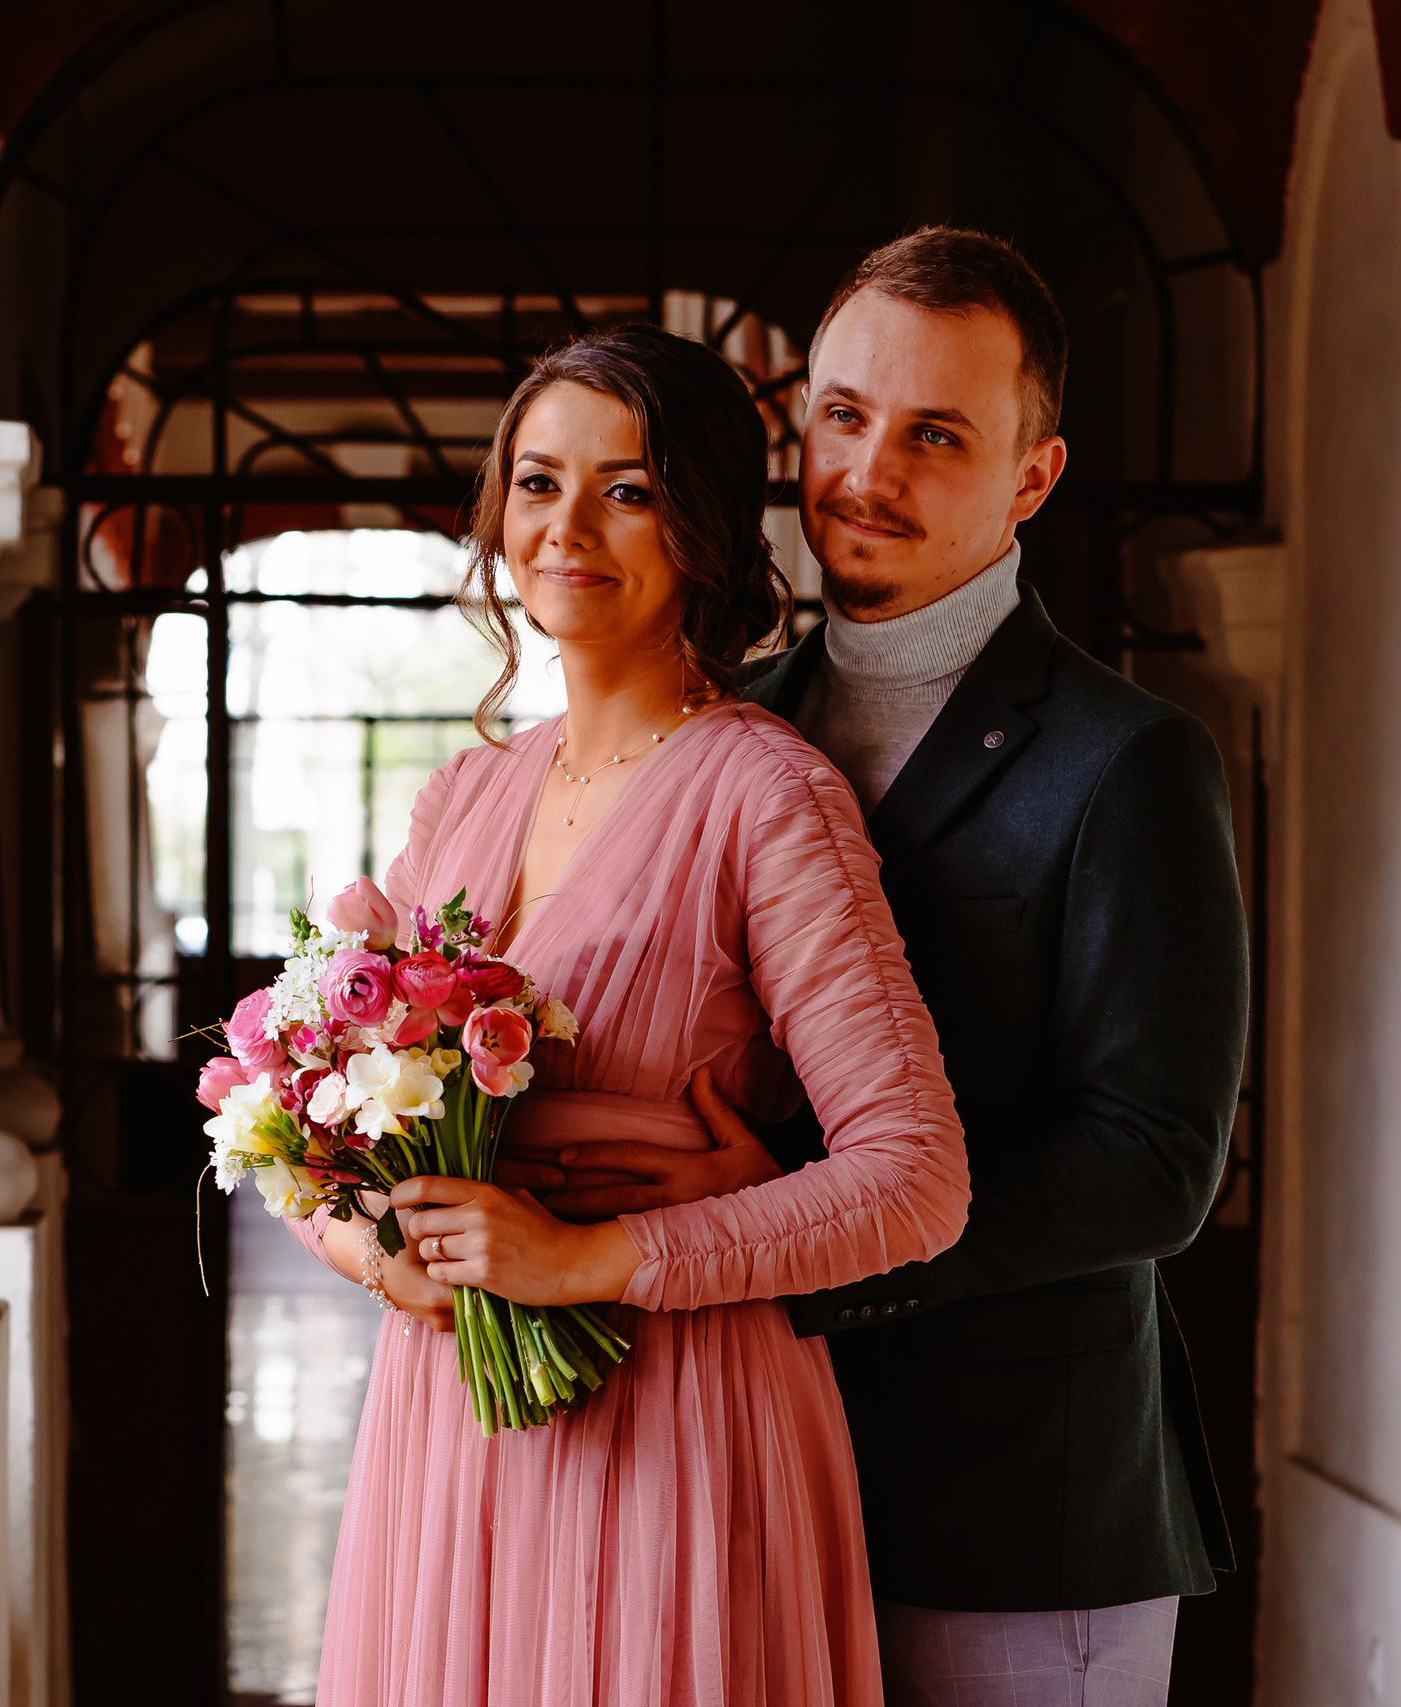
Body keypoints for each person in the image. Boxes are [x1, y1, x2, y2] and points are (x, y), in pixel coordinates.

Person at [510, 230, 1249, 1706]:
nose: (867, 472)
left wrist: (795, 1249)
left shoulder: (1130, 761)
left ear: (1031, 476)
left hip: (1016, 1517)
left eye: (935, 436)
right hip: (746, 1480)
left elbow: (1155, 1164)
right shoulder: (726, 728)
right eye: (845, 416)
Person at [288, 322, 972, 1706]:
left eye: (630, 488)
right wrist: (380, 1257)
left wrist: (590, 1262)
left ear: (707, 525)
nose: (568, 528)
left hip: (676, 1418)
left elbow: (915, 1181)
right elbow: (309, 1127)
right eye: (538, 484)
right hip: (450, 1425)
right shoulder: (461, 799)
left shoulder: (768, 798)